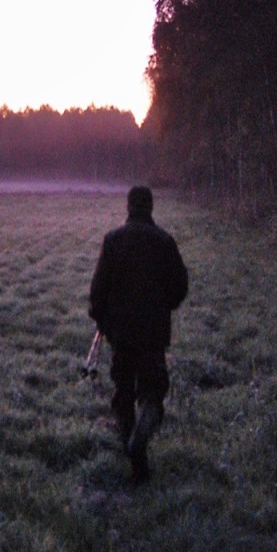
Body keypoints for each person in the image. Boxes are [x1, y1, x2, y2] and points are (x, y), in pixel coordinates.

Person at [88, 186, 188, 484]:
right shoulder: (165, 242)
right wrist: (163, 307)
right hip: (153, 332)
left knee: (123, 391)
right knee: (153, 388)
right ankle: (144, 426)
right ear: (151, 208)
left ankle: (136, 461)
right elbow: (180, 287)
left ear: (129, 207)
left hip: (121, 332)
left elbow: (98, 290)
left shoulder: (113, 240)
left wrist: (100, 318)